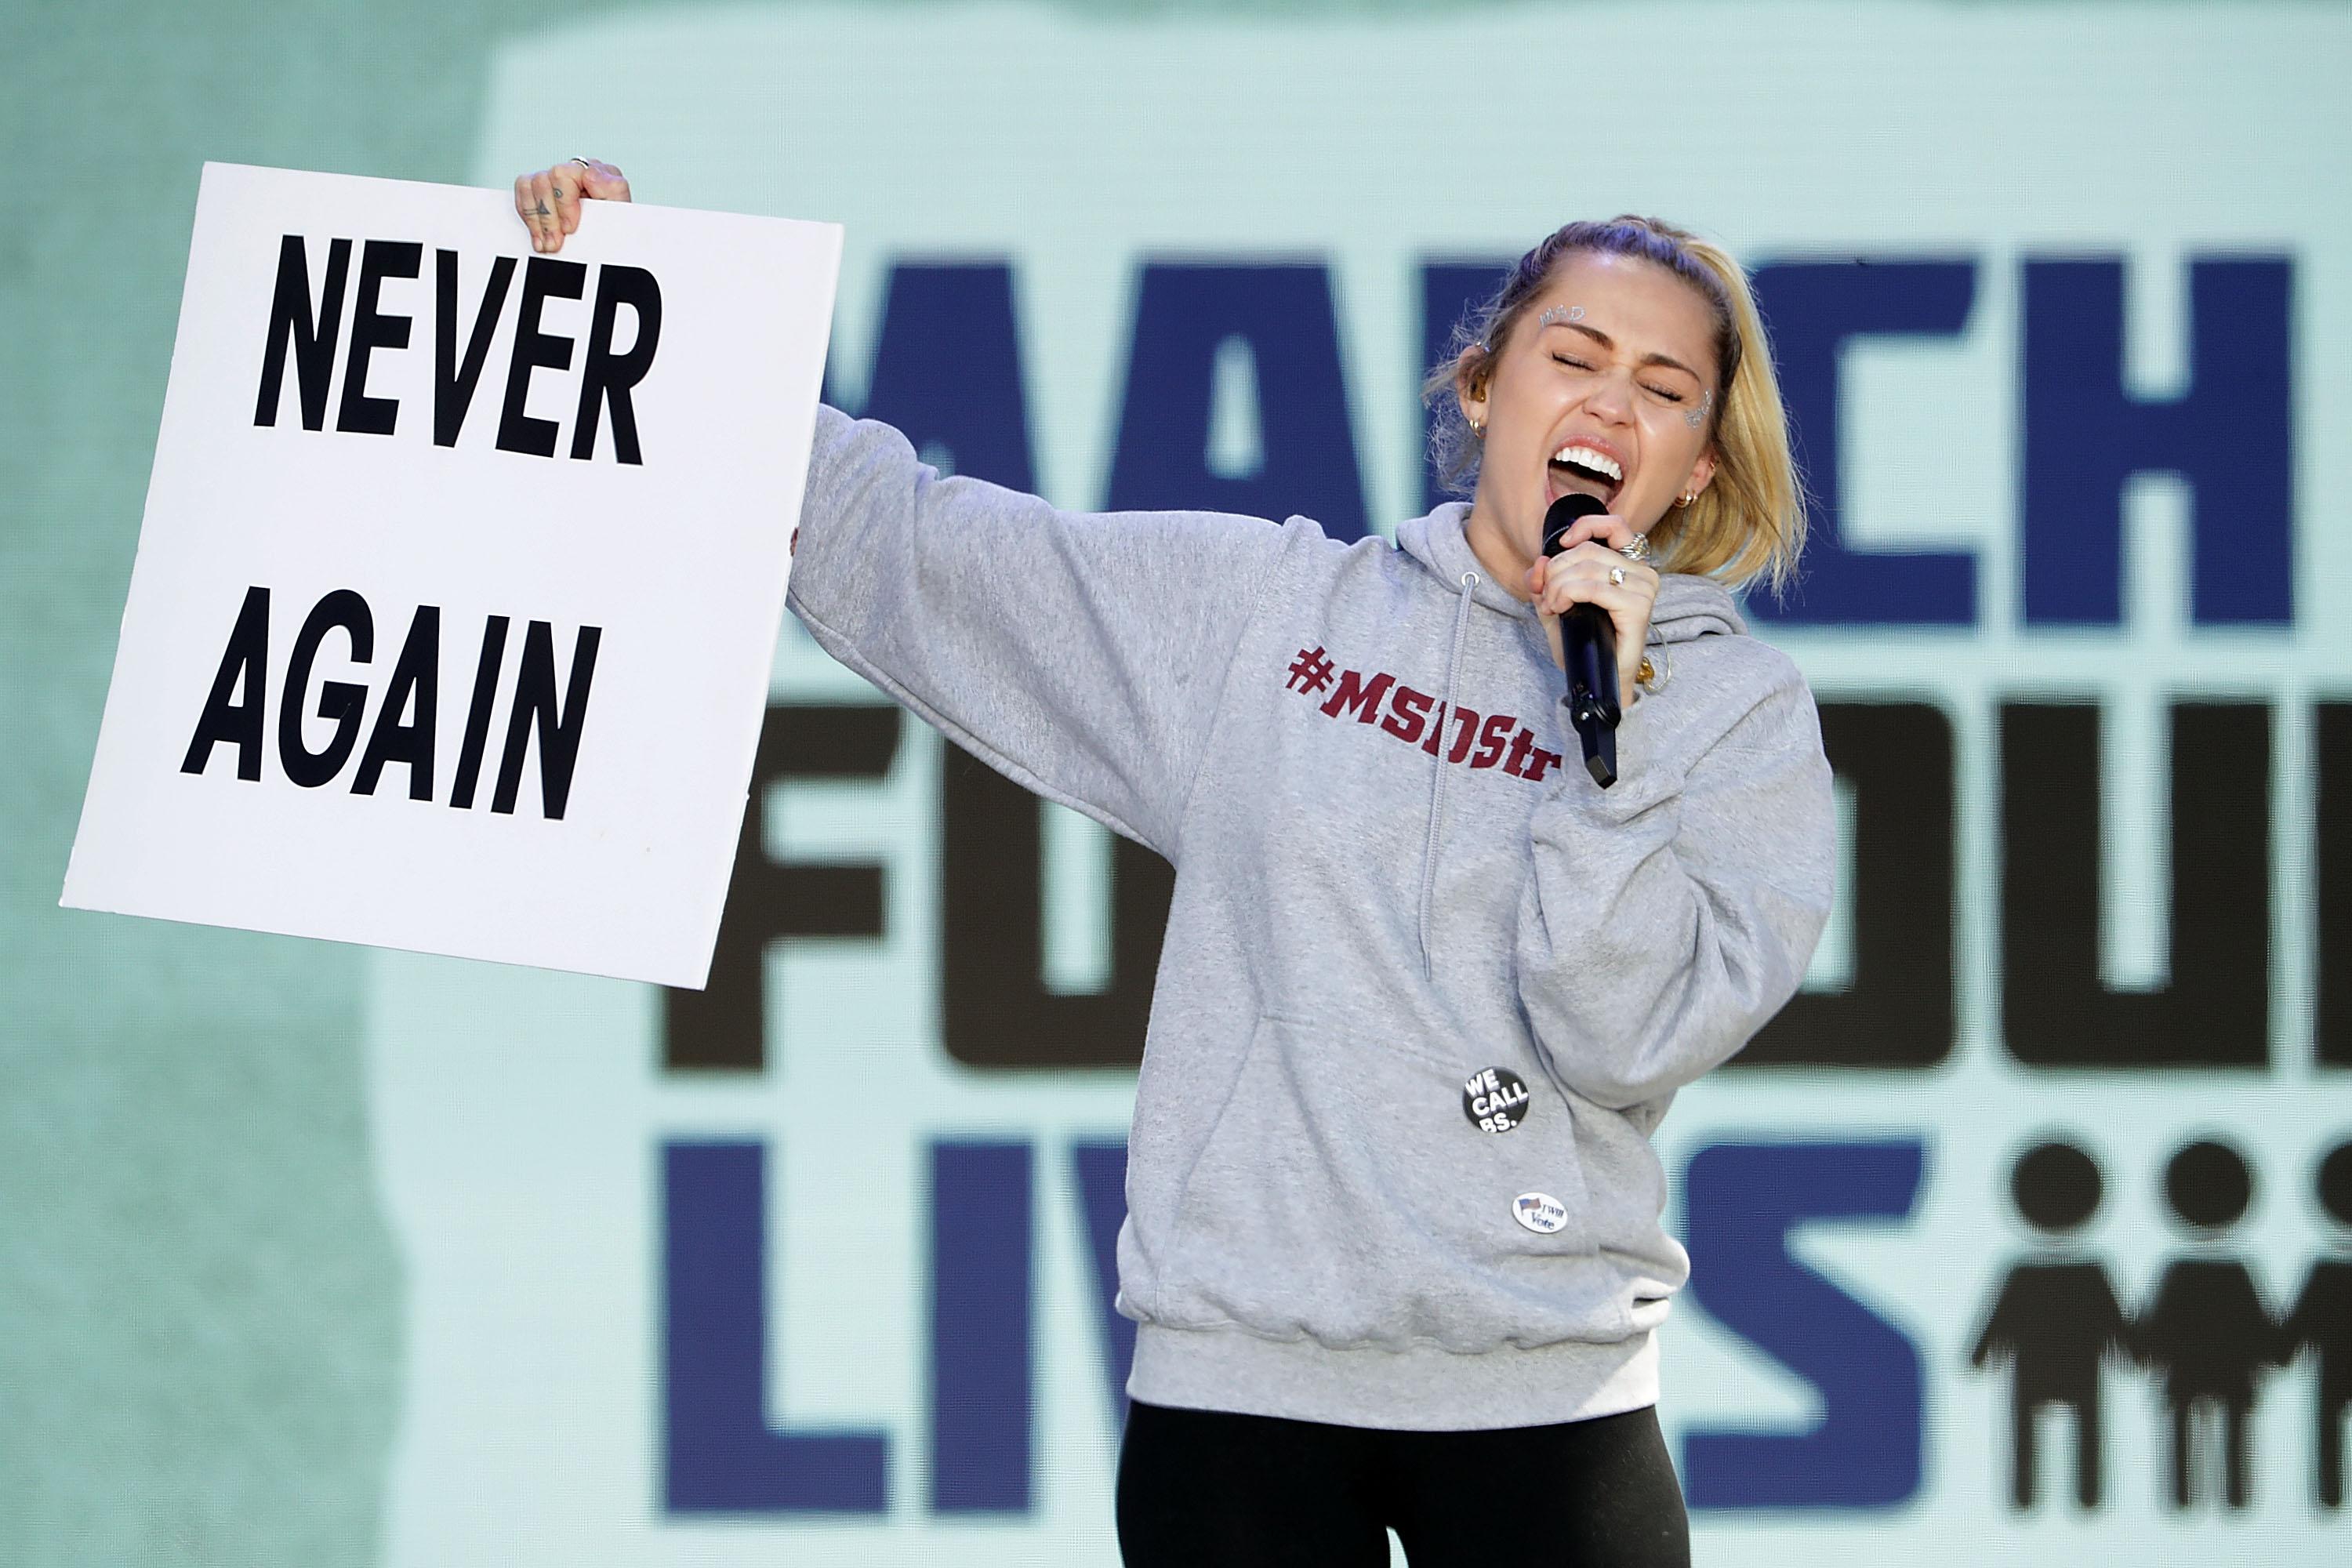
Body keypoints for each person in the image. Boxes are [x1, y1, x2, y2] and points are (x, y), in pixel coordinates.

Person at [517, 160, 1835, 1566]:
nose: (1608, 402)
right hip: (1240, 1398)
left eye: (1661, 385)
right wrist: (655, 306)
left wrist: (1608, 740)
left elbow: (1623, 1034)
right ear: (1481, 390)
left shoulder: (1728, 716)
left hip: (1549, 1399)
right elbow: (912, 547)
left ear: (1696, 462)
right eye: (1572, 356)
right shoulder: (1267, 614)